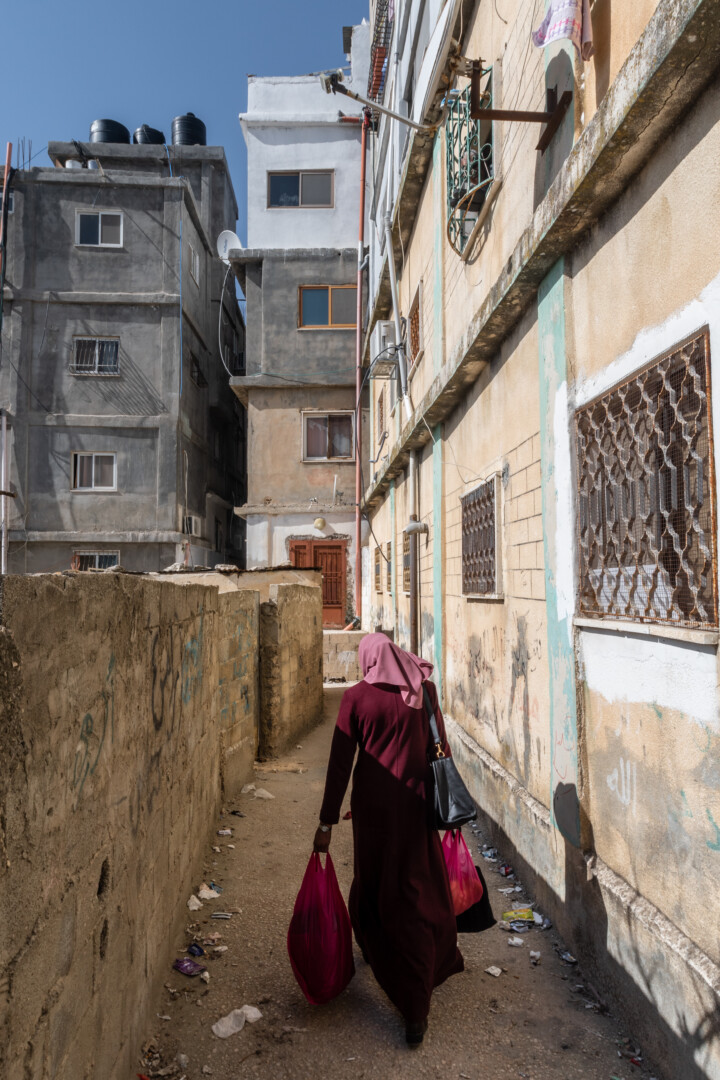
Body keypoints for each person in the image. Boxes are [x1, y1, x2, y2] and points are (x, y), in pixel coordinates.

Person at [314, 633, 464, 1046]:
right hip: (417, 808)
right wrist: (448, 808)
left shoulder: (355, 699)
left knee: (376, 883)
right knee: (415, 888)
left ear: (368, 661)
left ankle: (409, 999)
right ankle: (413, 981)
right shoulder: (424, 690)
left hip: (374, 813)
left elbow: (340, 765)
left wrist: (326, 823)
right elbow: (441, 748)